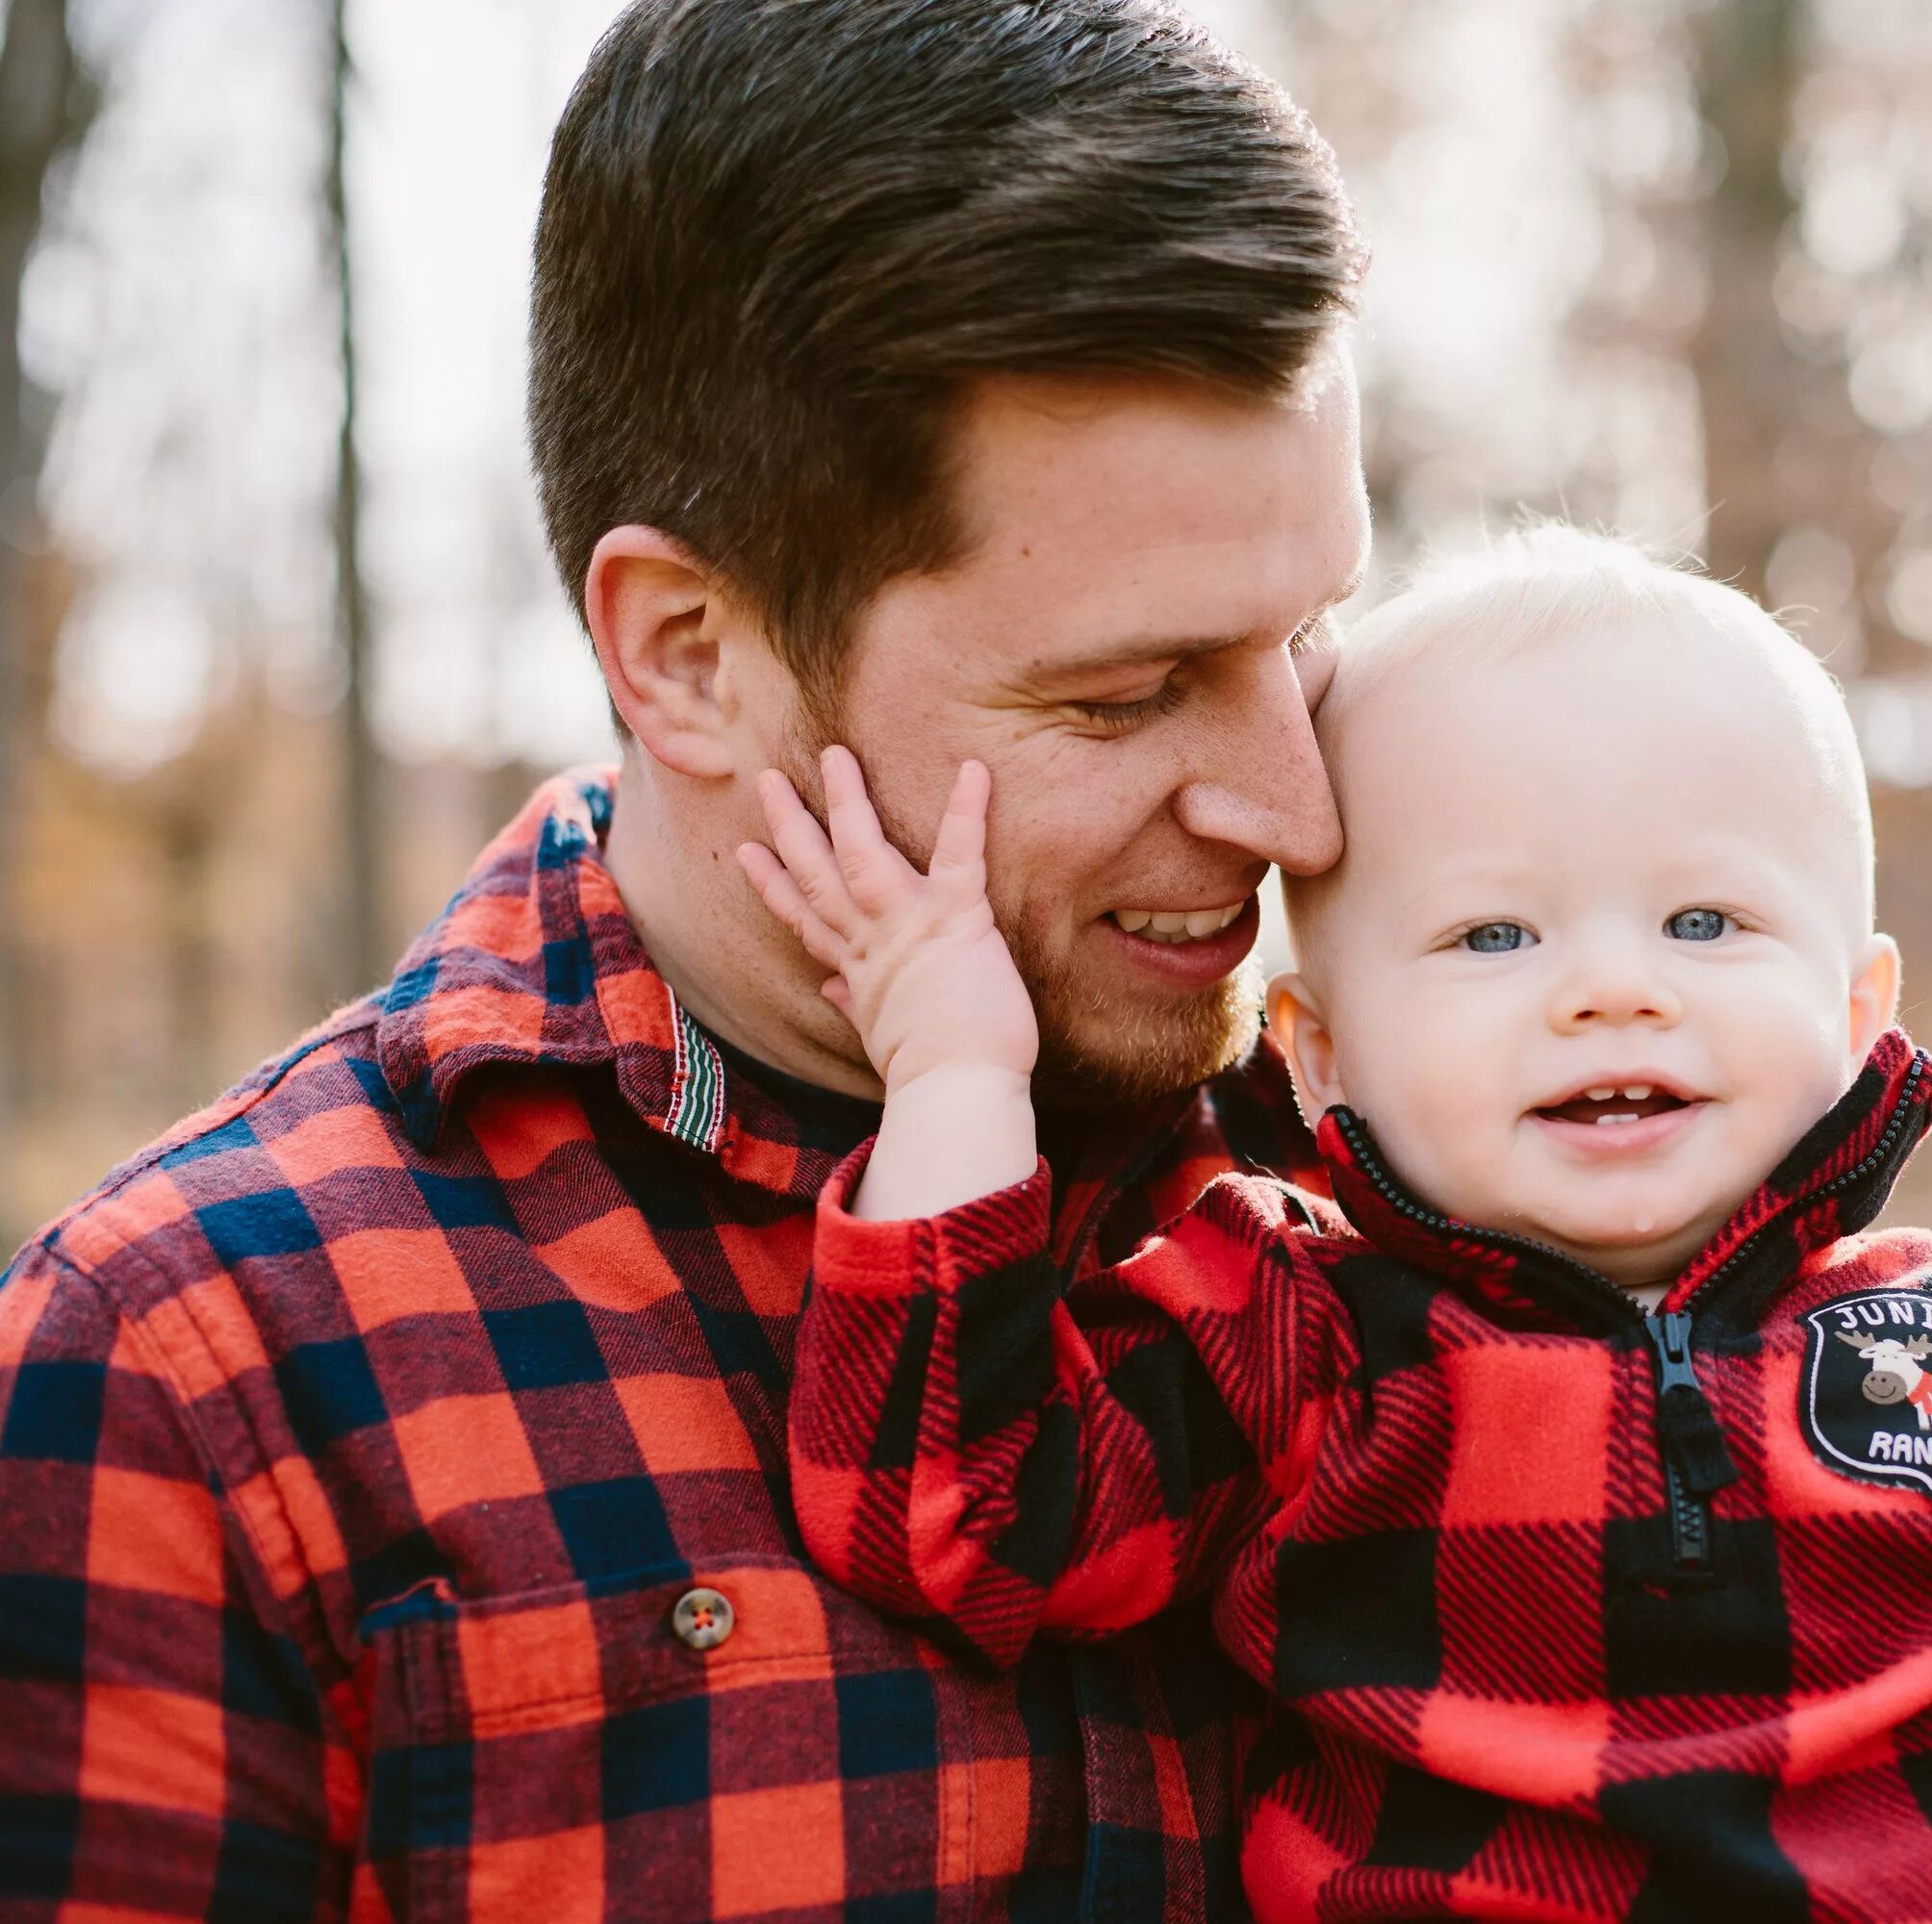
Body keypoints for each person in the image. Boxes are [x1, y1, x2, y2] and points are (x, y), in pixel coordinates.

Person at [0, 3, 1367, 1916]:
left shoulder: (1409, 1201)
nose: (1295, 812)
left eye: (1308, 642)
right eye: (1130, 692)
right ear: (691, 655)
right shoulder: (198, 1374)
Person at [762, 531, 1932, 1924]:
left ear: (1864, 1004)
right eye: (1495, 937)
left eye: (1707, 926)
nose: (1610, 996)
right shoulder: (1293, 1329)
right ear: (1322, 1054)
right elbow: (961, 1520)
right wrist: (953, 1084)